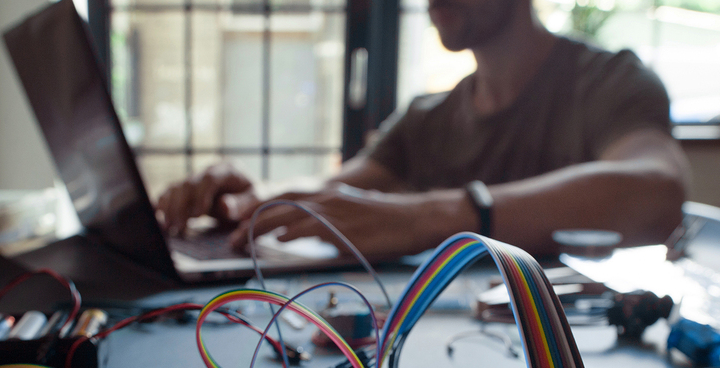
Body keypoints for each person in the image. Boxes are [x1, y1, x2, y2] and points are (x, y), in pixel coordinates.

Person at [158, 0, 690, 259]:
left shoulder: (611, 82)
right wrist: (247, 199)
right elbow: (341, 196)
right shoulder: (426, 117)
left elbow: (658, 192)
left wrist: (439, 218)